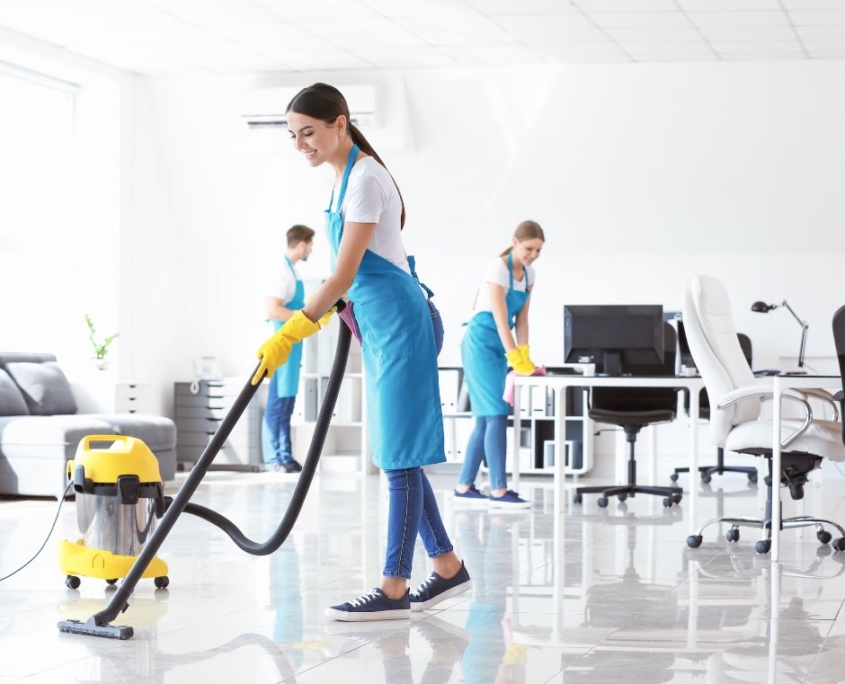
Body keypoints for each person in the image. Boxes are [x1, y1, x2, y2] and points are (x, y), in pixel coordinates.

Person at [252, 83, 472, 621]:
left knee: (396, 459)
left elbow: (346, 272)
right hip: (379, 324)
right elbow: (348, 276)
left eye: (309, 132)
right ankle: (447, 569)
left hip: (401, 323)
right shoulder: (340, 181)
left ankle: (393, 588)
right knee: (400, 455)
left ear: (340, 124)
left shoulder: (366, 179)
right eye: (293, 135)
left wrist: (292, 331)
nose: (301, 143)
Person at [455, 221, 545, 509]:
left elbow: (522, 319)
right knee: (495, 413)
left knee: (485, 417)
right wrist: (514, 357)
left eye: (539, 250)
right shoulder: (497, 268)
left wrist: (525, 353)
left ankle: (464, 486)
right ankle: (498, 490)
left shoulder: (529, 274)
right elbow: (498, 316)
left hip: (501, 345)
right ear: (515, 242)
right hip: (481, 342)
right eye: (529, 248)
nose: (533, 254)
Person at [262, 224, 314, 473]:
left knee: (287, 402)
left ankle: (285, 455)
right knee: (278, 401)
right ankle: (274, 459)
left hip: (293, 343)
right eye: (311, 244)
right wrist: (301, 318)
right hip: (282, 341)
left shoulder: (292, 271)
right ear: (302, 244)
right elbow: (273, 309)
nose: (311, 249)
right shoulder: (281, 271)